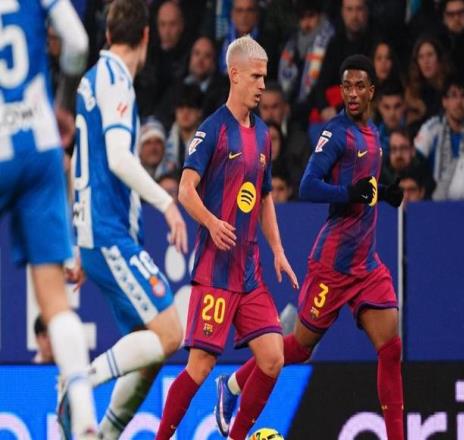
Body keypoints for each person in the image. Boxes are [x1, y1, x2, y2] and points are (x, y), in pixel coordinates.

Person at [215, 55, 405, 440]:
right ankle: (232, 387)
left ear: (371, 91)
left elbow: (361, 186)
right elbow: (308, 185)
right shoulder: (336, 134)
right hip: (332, 265)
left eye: (359, 87)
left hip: (366, 265)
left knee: (391, 348)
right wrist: (350, 192)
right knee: (298, 349)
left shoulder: (374, 133)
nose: (352, 93)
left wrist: (383, 192)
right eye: (346, 87)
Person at [155, 35, 298, 440]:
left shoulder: (264, 135)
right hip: (216, 270)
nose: (262, 85)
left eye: (265, 77)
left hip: (249, 270)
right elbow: (185, 190)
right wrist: (211, 222)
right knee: (199, 366)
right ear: (234, 75)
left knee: (273, 357)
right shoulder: (212, 130)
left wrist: (278, 249)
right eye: (255, 77)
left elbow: (265, 196)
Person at [59, 1, 188, 439]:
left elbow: (80, 162)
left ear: (109, 33)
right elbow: (117, 158)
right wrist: (166, 204)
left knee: (149, 351)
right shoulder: (115, 80)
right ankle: (79, 382)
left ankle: (105, 436)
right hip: (110, 233)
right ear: (146, 36)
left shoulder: (91, 81)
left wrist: (79, 240)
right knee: (170, 334)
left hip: (99, 233)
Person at [0, 1, 98, 438]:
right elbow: (76, 42)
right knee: (55, 299)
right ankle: (85, 414)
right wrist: (60, 101)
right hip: (40, 145)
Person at [414, 76, 464, 182]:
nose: (459, 102)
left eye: (463, 96)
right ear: (444, 102)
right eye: (454, 96)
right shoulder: (431, 128)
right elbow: (416, 164)